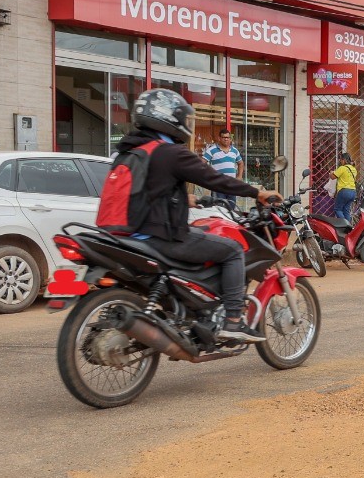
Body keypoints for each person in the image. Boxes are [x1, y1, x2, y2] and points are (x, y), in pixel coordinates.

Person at [115, 89, 281, 343]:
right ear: (169, 119)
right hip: (160, 235)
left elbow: (147, 190)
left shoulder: (128, 152)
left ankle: (196, 310)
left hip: (125, 234)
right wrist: (256, 192)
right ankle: (234, 321)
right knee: (233, 249)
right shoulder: (170, 152)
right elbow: (213, 178)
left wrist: (186, 198)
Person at [200, 129, 243, 210]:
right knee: (219, 210)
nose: (226, 139)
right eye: (224, 137)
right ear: (219, 138)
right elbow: (201, 163)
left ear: (230, 139)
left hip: (232, 186)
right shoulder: (212, 150)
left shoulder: (234, 151)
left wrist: (239, 176)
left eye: (228, 137)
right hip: (218, 186)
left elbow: (241, 163)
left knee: (231, 210)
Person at [332, 152, 358, 220]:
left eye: (341, 159)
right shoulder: (354, 169)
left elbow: (333, 177)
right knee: (346, 210)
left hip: (344, 192)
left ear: (344, 160)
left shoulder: (342, 168)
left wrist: (330, 173)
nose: (340, 161)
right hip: (353, 192)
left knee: (337, 209)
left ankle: (344, 224)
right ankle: (348, 229)